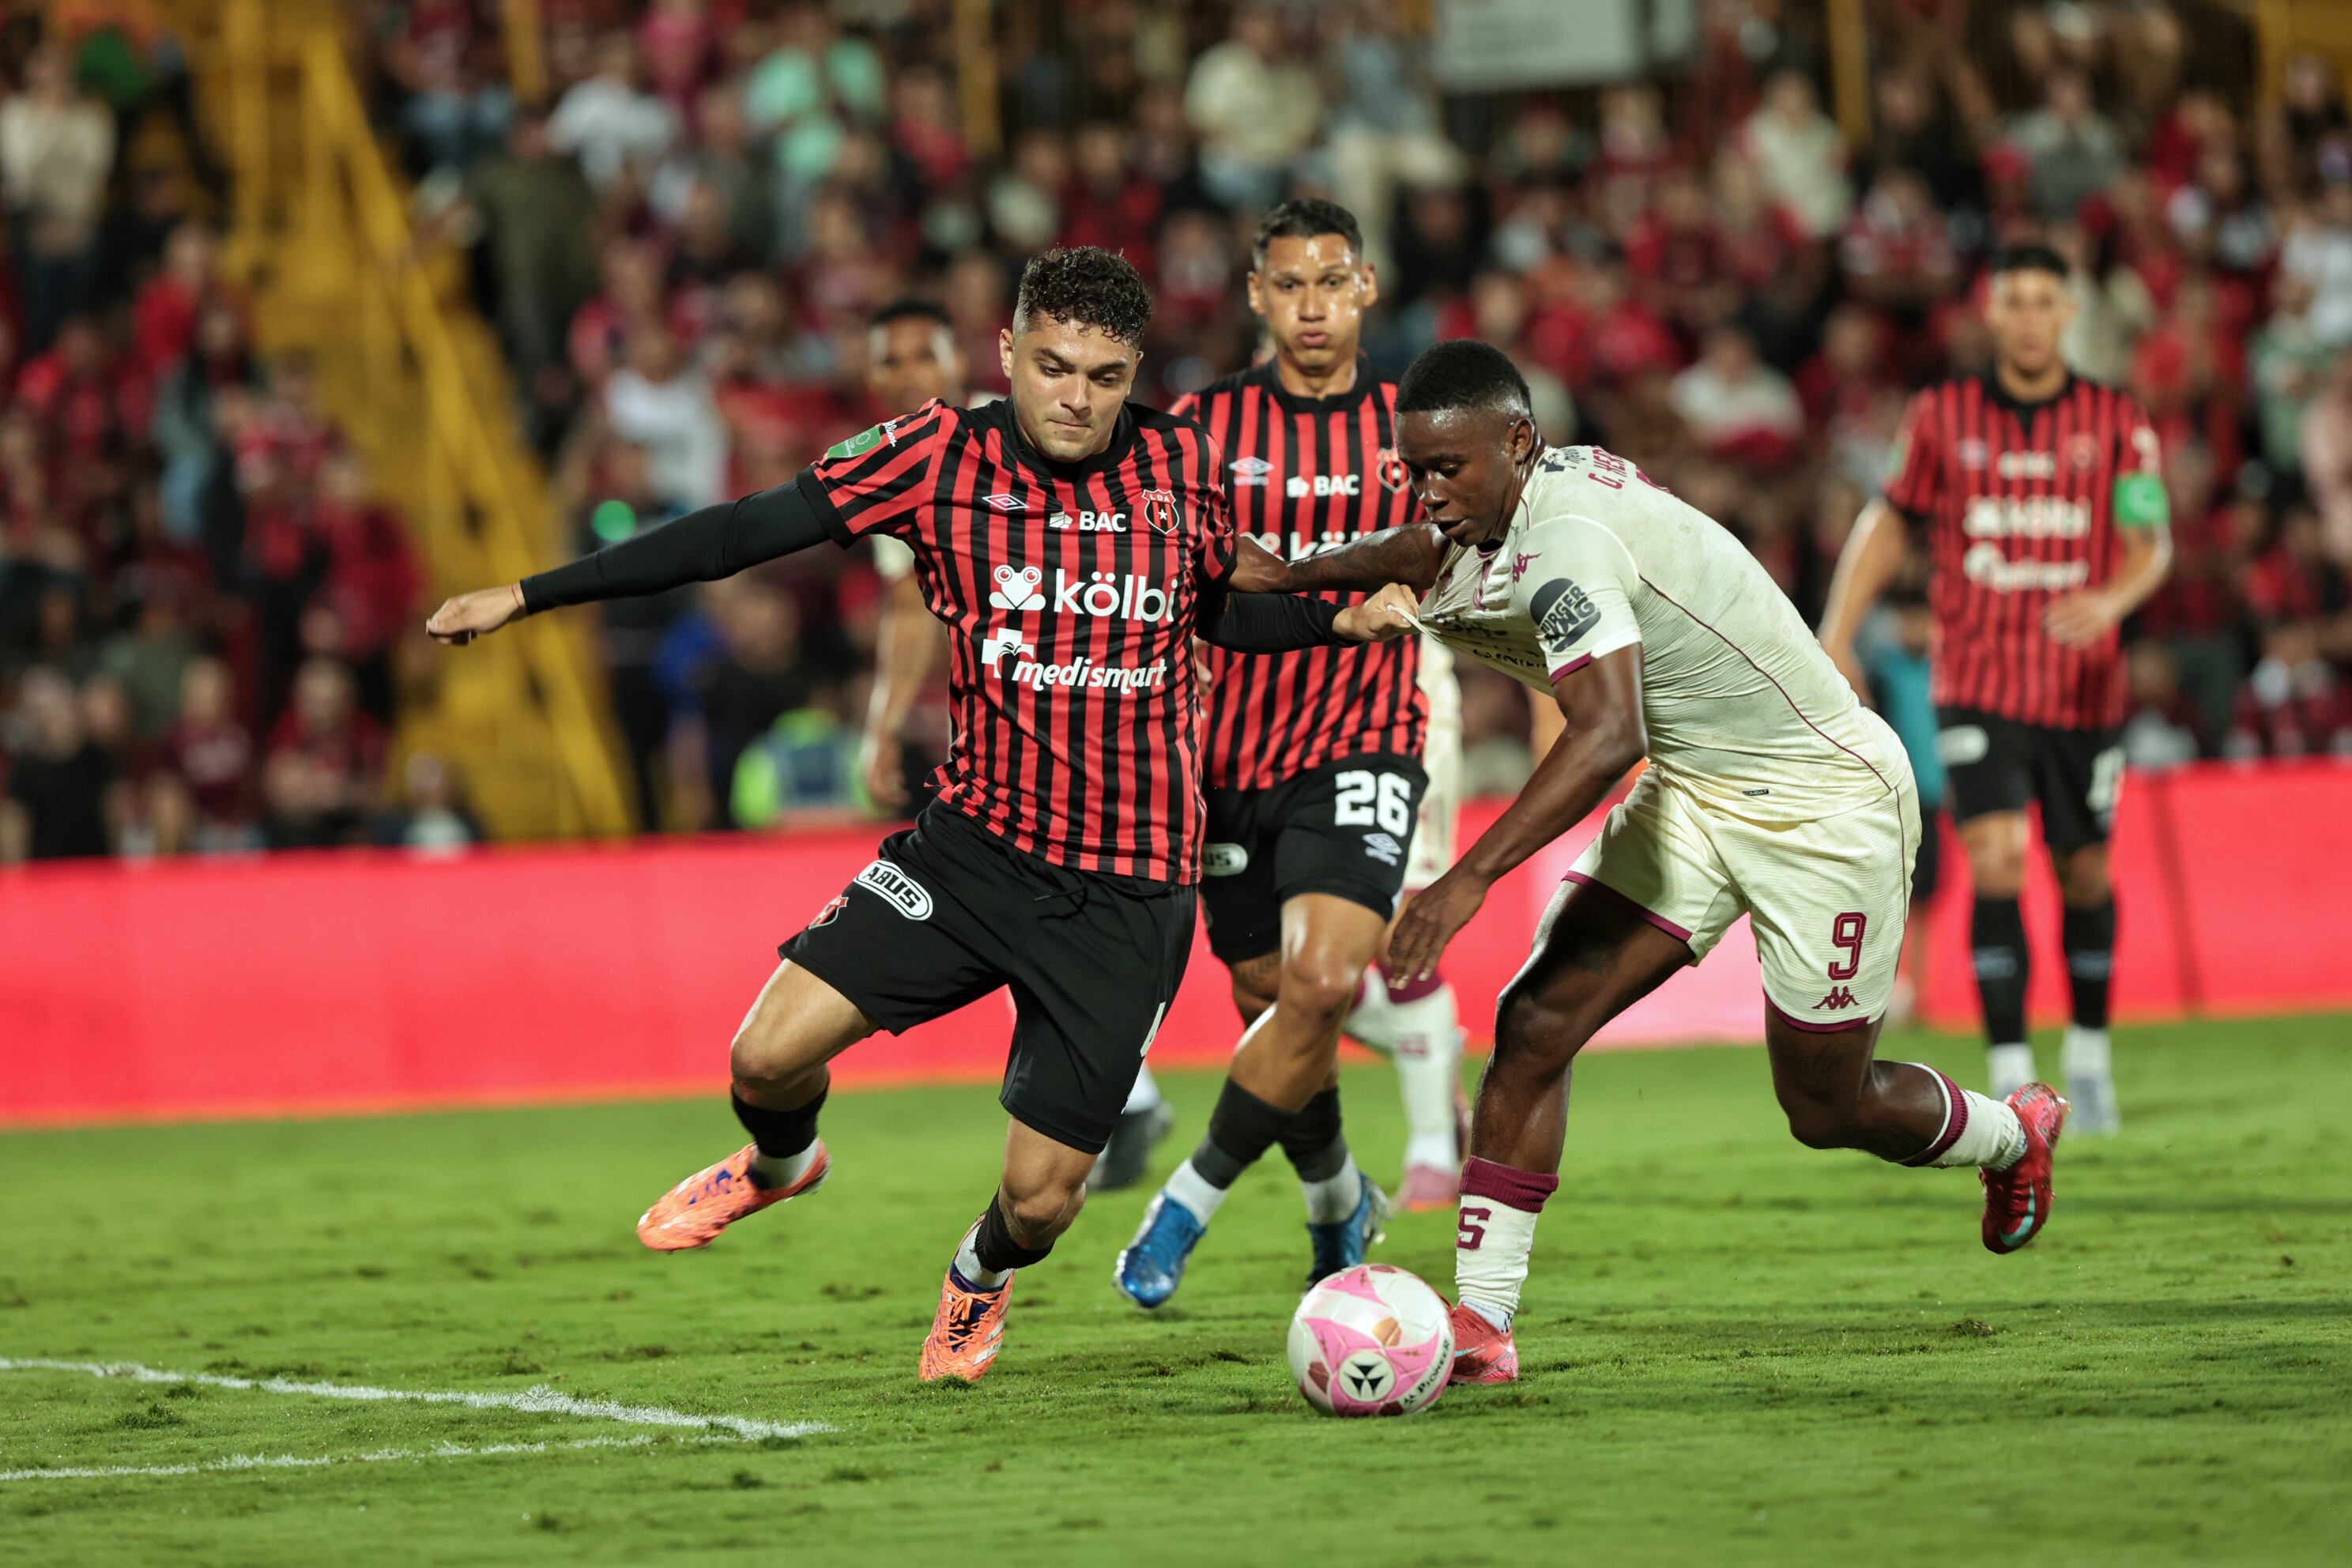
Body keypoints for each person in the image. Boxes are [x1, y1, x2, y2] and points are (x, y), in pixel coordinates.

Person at [425, 247, 1418, 1384]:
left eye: (1102, 375)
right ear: (1007, 353)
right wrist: (532, 593)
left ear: (1134, 372)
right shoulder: (937, 454)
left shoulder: (1181, 465)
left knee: (1043, 1205)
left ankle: (978, 1281)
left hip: (1130, 889)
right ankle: (782, 1164)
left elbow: (1217, 614)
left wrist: (1330, 623)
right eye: (1052, 366)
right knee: (763, 1058)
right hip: (973, 852)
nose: (1074, 397)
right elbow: (739, 532)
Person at [1252, 337, 2071, 1387]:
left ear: (1516, 442)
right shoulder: (1514, 501)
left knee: (1825, 1107)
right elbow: (1421, 550)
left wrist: (1468, 879)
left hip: (1823, 804)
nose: (1429, 492)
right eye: (1415, 468)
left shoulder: (1572, 544)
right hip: (1697, 792)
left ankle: (2013, 1133)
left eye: (1447, 469)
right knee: (1537, 1018)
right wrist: (1296, 575)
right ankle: (1483, 1322)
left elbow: (1604, 735)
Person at [1117, 198, 1455, 1310]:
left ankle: (1185, 1205)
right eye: (1289, 286)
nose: (1311, 306)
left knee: (1321, 980)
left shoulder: (1418, 425)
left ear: (1366, 288)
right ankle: (1336, 1203)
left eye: (1332, 282)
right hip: (1226, 765)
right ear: (1257, 296)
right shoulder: (1198, 430)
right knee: (1278, 1007)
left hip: (1364, 740)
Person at [1819, 244, 2173, 1132]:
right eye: (2013, 300)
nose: (2027, 317)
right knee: (1999, 857)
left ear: (2068, 312)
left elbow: (2153, 539)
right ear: (1990, 310)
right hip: (1977, 678)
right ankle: (2017, 1076)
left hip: (2085, 690)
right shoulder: (1943, 416)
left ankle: (2088, 1058)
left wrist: (2114, 599)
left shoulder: (2116, 420)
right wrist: (1836, 628)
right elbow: (1892, 521)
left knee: (2085, 869)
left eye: (2044, 301)